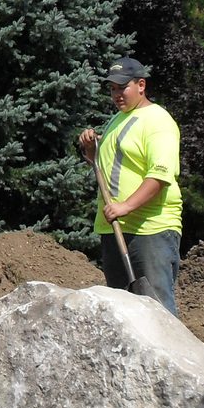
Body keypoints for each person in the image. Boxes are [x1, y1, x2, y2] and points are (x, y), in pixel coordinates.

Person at [77, 56, 182, 315]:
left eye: (122, 87)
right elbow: (102, 164)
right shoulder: (117, 120)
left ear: (141, 85)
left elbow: (159, 175)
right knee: (125, 315)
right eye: (112, 88)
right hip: (116, 231)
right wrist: (92, 150)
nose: (116, 94)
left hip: (150, 231)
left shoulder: (158, 121)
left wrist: (126, 206)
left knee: (157, 312)